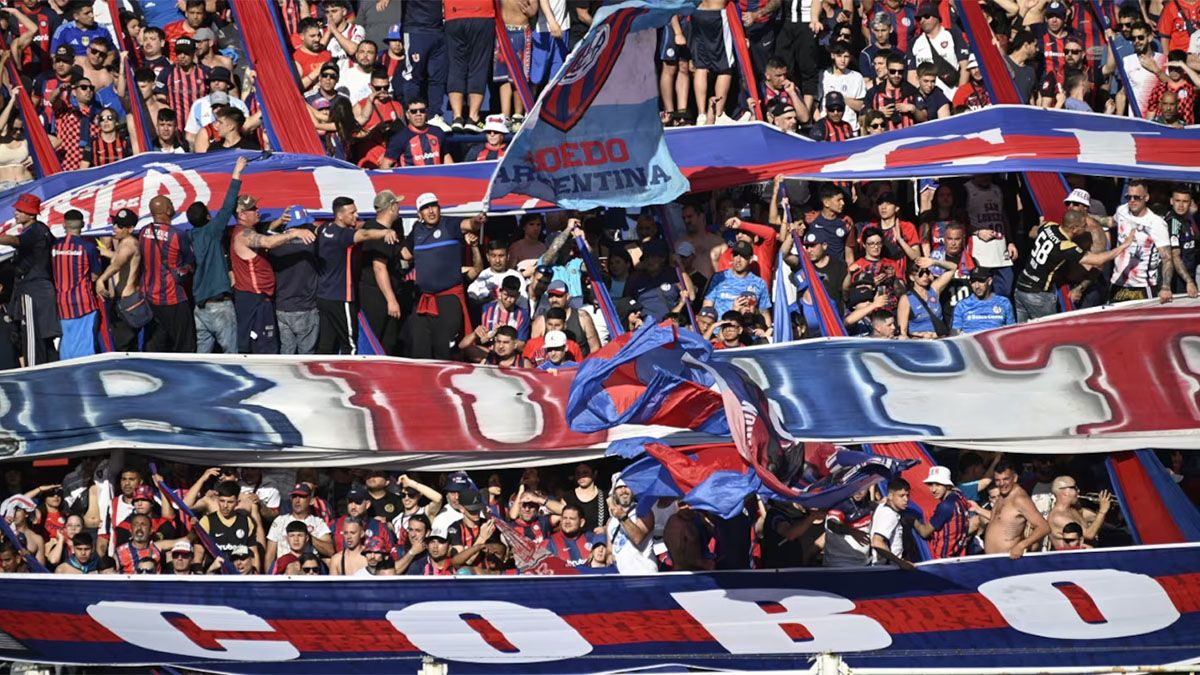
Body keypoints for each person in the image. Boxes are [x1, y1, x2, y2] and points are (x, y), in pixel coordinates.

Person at [231, 196, 316, 354]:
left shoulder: (248, 231)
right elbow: (268, 242)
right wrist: (295, 233)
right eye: (253, 209)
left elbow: (265, 233)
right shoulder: (243, 235)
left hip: (265, 300)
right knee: (261, 347)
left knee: (277, 347)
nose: (258, 211)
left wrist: (279, 222)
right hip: (254, 300)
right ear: (241, 214)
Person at [1014, 210, 1133, 322]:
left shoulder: (1049, 226)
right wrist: (1124, 246)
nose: (1086, 229)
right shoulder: (1065, 246)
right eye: (1083, 226)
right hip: (1038, 295)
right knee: (1049, 336)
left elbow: (1032, 233)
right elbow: (1098, 260)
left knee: (1022, 334)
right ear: (1074, 229)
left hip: (1020, 289)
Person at [315, 196, 398, 354]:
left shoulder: (325, 228)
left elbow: (315, 229)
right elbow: (365, 235)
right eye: (352, 213)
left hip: (324, 297)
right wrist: (385, 232)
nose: (356, 215)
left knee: (326, 344)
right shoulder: (344, 236)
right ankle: (350, 378)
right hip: (342, 298)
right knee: (350, 345)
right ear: (340, 216)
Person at [402, 193, 475, 360]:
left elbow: (468, 224)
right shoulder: (416, 230)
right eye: (425, 208)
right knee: (420, 347)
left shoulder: (449, 224)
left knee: (445, 348)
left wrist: (476, 221)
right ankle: (422, 382)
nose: (430, 211)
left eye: (433, 206)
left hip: (448, 298)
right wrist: (386, 235)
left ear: (439, 208)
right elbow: (405, 254)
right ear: (419, 214)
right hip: (423, 299)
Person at [187, 157, 244, 355]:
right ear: (208, 218)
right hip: (220, 306)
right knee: (231, 357)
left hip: (200, 309)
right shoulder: (212, 231)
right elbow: (228, 206)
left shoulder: (187, 237)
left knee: (202, 358)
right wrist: (236, 173)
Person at [0, 193, 59, 365]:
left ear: (31, 214)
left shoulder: (34, 230)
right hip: (42, 289)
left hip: (33, 290)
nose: (16, 213)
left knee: (32, 338)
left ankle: (35, 376)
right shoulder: (42, 230)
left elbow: (15, 240)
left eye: (20, 210)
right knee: (44, 339)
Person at [140, 195, 196, 352]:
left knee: (162, 339)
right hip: (173, 296)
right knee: (185, 343)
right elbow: (190, 261)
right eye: (170, 203)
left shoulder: (144, 231)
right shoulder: (177, 235)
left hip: (151, 296)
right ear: (167, 210)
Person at [1107, 179, 1176, 303]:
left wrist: (1166, 287)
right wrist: (1088, 217)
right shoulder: (1122, 210)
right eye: (1129, 197)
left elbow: (1167, 258)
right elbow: (1110, 222)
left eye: (1137, 197)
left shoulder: (1156, 223)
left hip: (1142, 286)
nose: (1132, 200)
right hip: (1117, 282)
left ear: (1146, 197)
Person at [50, 209, 101, 361]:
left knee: (67, 343)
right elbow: (94, 275)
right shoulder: (88, 247)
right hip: (83, 303)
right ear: (83, 225)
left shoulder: (54, 246)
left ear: (63, 224)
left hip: (62, 303)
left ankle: (67, 377)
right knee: (85, 344)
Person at [983, 461, 1051, 559]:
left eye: (1006, 479)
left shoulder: (1020, 499)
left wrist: (1021, 545)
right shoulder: (1002, 495)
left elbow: (1044, 527)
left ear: (1015, 478)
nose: (1001, 484)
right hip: (992, 561)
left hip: (1009, 560)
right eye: (998, 480)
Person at [910, 466, 973, 559]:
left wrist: (912, 519)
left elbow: (924, 532)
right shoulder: (960, 496)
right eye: (930, 484)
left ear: (947, 485)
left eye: (938, 485)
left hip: (942, 559)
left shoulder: (945, 506)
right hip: (959, 556)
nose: (933, 489)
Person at [607, 477, 656, 574]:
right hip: (621, 576)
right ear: (614, 492)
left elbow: (638, 538)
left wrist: (622, 516)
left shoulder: (644, 512)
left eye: (627, 486)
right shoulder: (611, 520)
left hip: (644, 573)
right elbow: (609, 549)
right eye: (620, 487)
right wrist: (608, 555)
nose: (624, 491)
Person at [1047, 476, 1112, 550]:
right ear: (1064, 492)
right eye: (1075, 487)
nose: (1078, 491)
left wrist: (1107, 509)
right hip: (1071, 558)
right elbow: (1089, 535)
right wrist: (1102, 511)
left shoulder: (1074, 509)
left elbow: (1093, 517)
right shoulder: (1058, 517)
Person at [869, 479, 915, 569]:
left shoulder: (882, 506)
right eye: (901, 496)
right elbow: (877, 542)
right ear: (890, 495)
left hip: (883, 567)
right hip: (888, 568)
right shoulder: (890, 515)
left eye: (907, 495)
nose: (906, 499)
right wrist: (900, 563)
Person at [952, 268, 1015, 334]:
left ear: (989, 281)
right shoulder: (962, 305)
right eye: (973, 282)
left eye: (981, 281)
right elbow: (955, 334)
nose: (977, 286)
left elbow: (1012, 332)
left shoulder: (1004, 303)